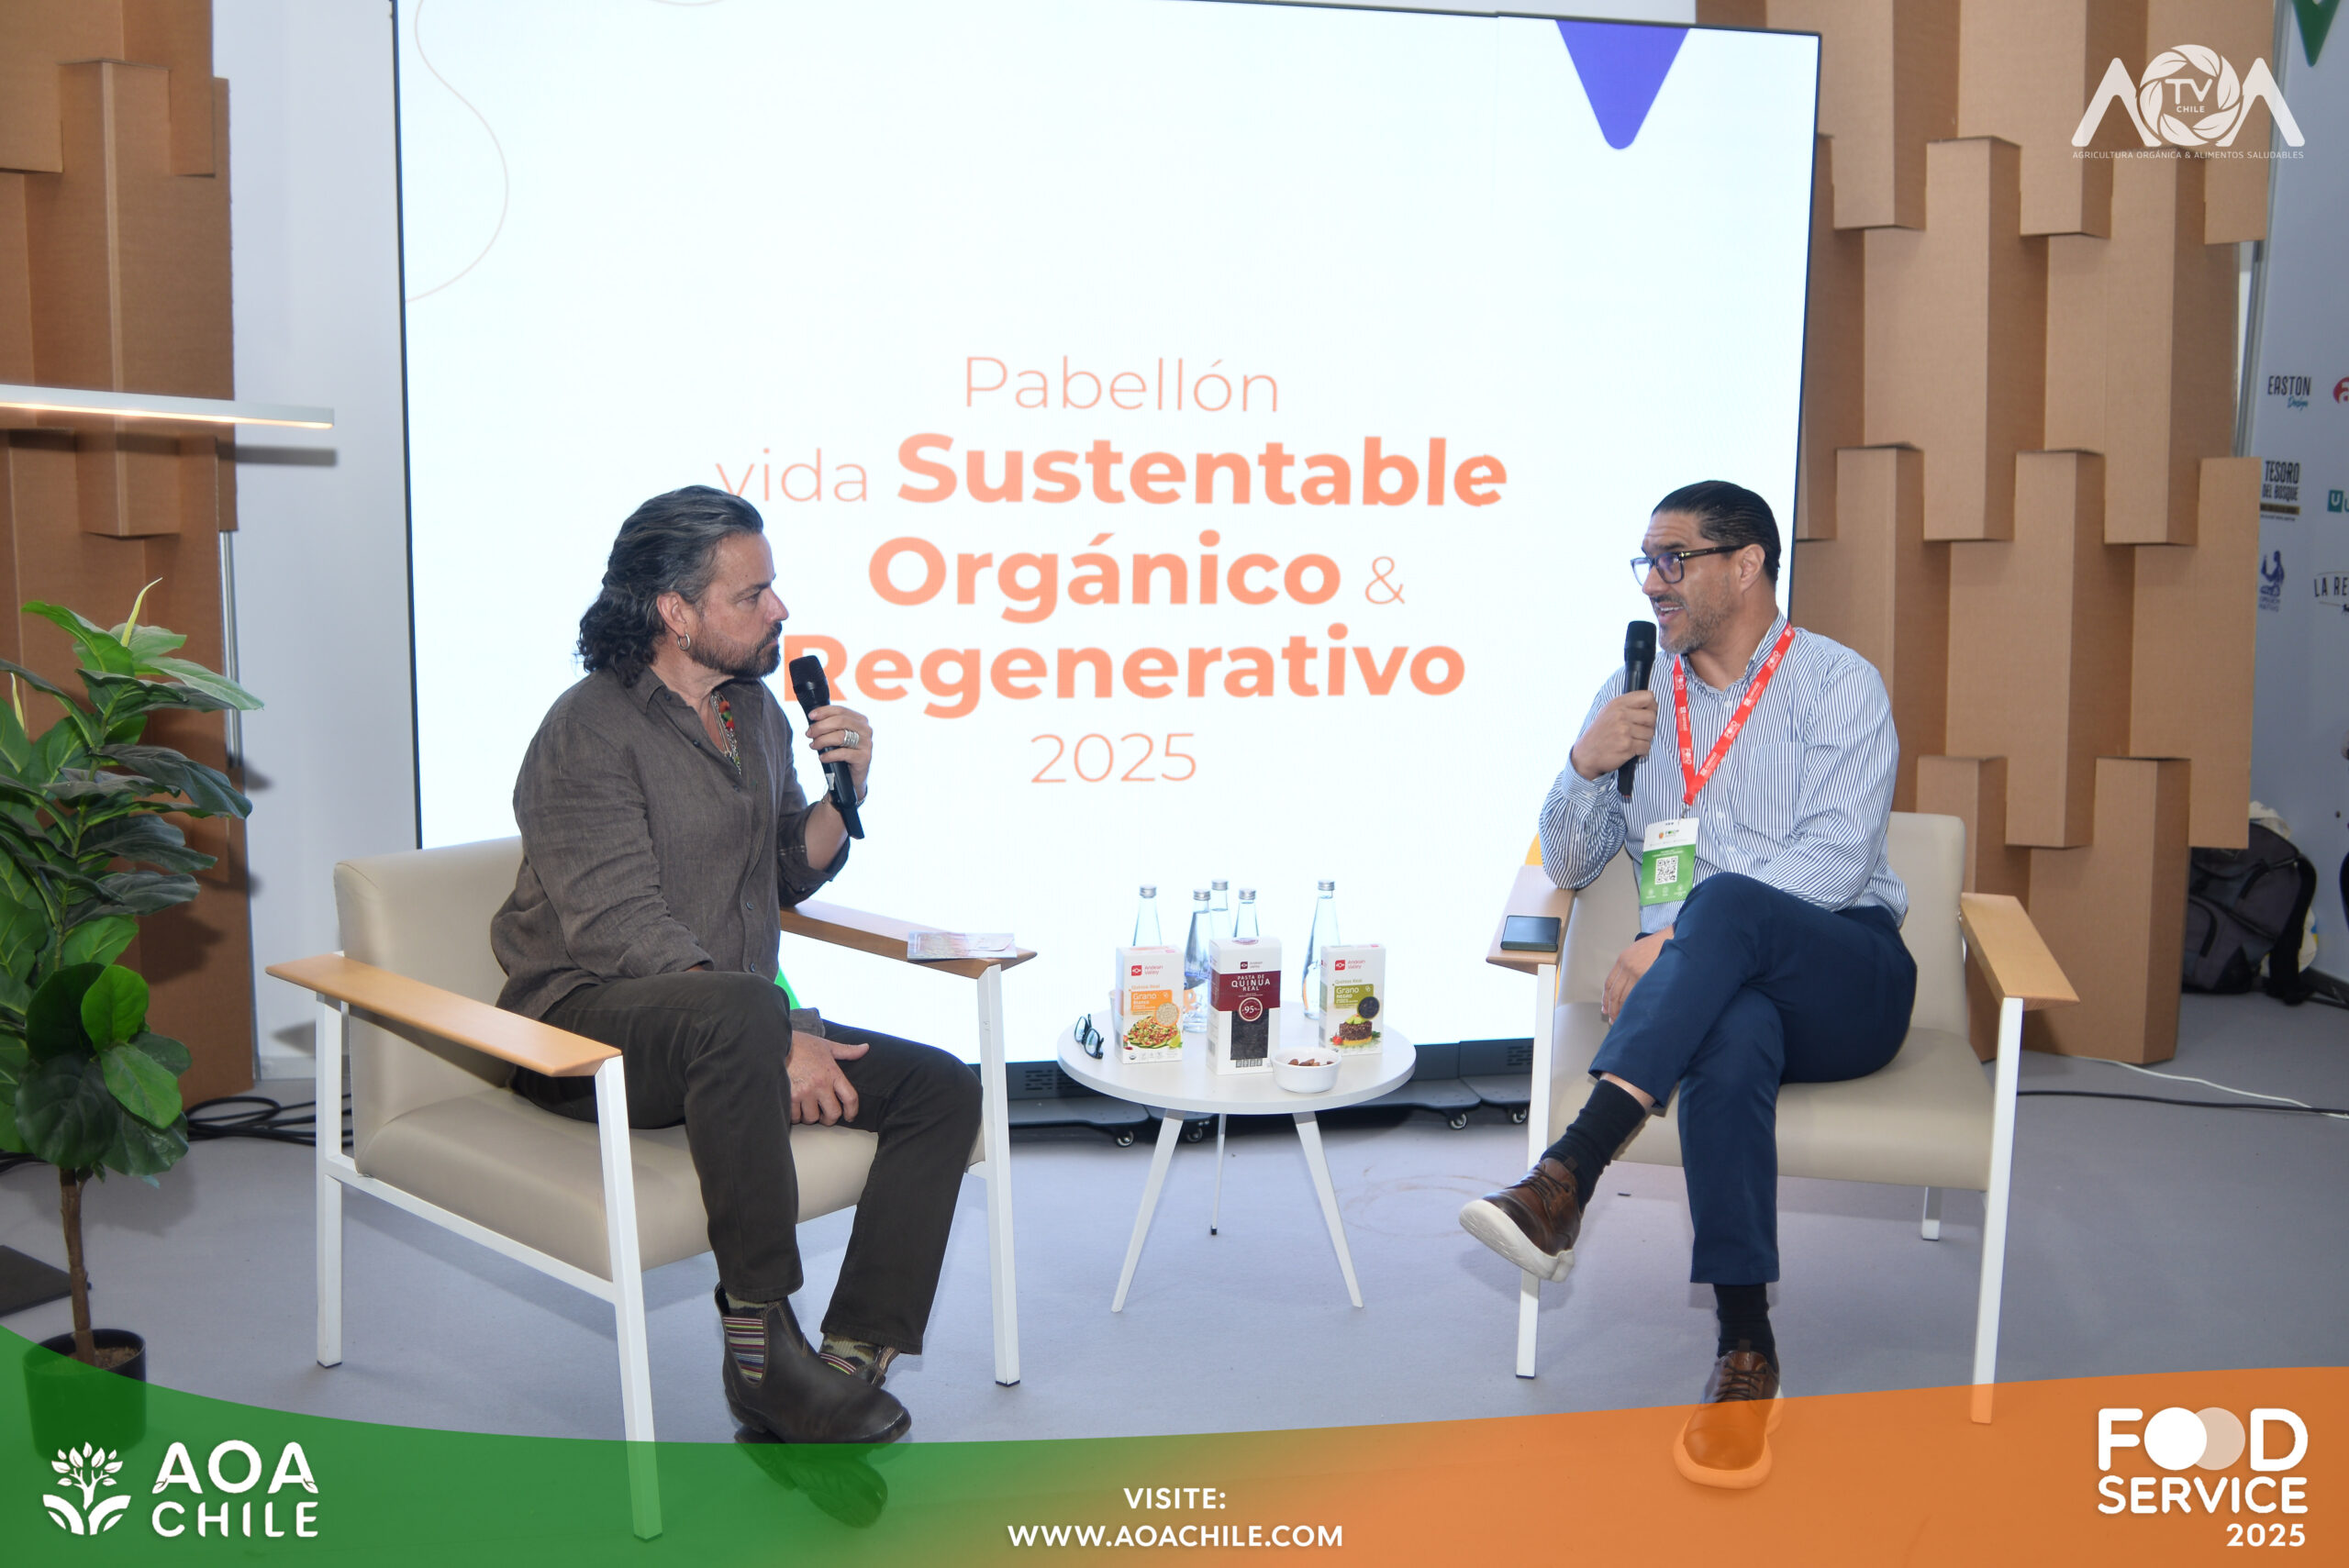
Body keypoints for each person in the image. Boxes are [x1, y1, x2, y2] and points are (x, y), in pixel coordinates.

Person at [492, 484, 982, 1446]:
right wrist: (775, 1038)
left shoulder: (751, 712)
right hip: (583, 1033)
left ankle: (848, 1359)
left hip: (726, 1031)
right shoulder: (586, 730)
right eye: (752, 594)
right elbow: (620, 928)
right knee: (745, 1011)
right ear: (675, 611)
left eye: (773, 587)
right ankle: (761, 1350)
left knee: (941, 1087)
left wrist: (844, 795)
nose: (780, 609)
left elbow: (786, 870)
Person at [1458, 480, 1914, 1488]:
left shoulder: (1838, 684)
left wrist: (1673, 939)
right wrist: (1584, 765)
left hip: (1845, 973)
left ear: (1746, 565)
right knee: (1731, 1033)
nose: (1652, 582)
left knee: (1731, 905)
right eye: (1646, 562)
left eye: (1674, 559)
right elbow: (1570, 863)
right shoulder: (1635, 693)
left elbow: (1838, 861)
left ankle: (1571, 1165)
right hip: (1715, 994)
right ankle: (1747, 1350)